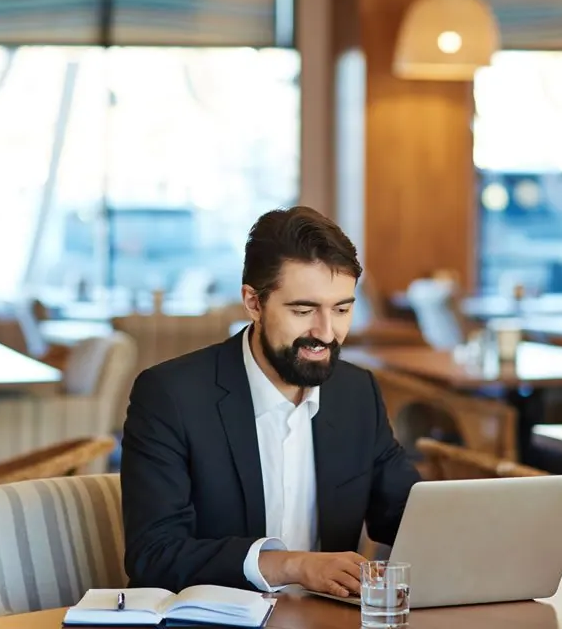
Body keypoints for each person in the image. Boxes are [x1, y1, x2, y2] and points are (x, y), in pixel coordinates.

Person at [121, 206, 420, 598]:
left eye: (342, 309)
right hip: (216, 619)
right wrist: (292, 565)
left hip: (325, 620)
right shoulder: (170, 395)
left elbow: (404, 514)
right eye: (303, 310)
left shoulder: (356, 392)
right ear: (253, 302)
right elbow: (154, 555)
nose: (326, 333)